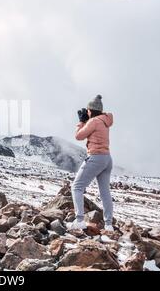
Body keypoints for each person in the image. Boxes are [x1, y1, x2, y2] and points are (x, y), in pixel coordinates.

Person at [67, 95, 115, 231]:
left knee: (76, 187)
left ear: (91, 110)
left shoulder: (93, 122)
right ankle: (109, 225)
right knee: (105, 192)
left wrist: (81, 122)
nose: (86, 112)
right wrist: (87, 120)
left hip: (96, 157)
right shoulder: (105, 120)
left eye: (88, 110)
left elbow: (78, 136)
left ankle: (80, 221)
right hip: (107, 158)